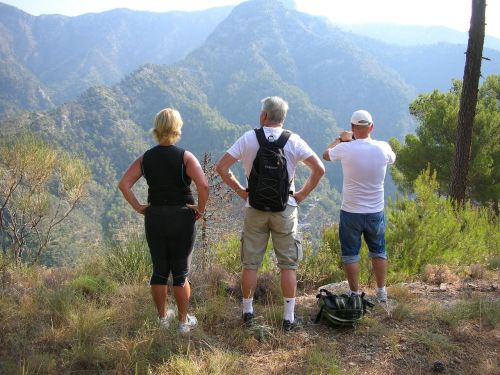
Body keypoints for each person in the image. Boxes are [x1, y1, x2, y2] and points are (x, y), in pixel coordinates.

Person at [215, 96, 325, 331]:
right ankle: (288, 319)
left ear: (263, 116)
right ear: (282, 118)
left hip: (254, 208)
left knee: (251, 264)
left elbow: (221, 168)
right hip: (285, 208)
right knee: (288, 265)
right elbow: (319, 169)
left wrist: (242, 192)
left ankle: (247, 313)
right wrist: (301, 195)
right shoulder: (293, 140)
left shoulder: (248, 138)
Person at [118, 108, 209, 334]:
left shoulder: (146, 158)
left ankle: (162, 319)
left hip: (155, 217)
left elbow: (124, 184)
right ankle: (182, 322)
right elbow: (204, 186)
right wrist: (200, 209)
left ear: (157, 128)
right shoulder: (185, 157)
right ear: (177, 127)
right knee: (180, 272)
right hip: (182, 217)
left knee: (159, 270)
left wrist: (139, 207)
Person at [322, 109, 396, 302]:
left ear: (353, 127)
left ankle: (355, 294)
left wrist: (341, 138)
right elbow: (392, 158)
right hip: (375, 211)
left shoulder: (345, 148)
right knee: (378, 251)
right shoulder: (383, 147)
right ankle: (381, 292)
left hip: (351, 211)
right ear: (372, 127)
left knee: (350, 254)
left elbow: (326, 155)